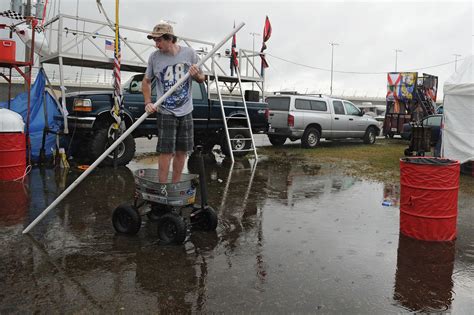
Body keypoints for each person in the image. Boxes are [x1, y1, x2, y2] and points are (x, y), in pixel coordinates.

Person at [142, 22, 205, 183]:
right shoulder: (154, 57)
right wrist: (148, 102)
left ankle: (175, 185)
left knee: (182, 151)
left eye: (159, 40)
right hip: (165, 111)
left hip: (186, 110)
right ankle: (163, 187)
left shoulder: (189, 54)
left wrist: (195, 74)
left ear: (170, 39)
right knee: (166, 151)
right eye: (154, 41)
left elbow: (202, 78)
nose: (156, 45)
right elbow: (146, 81)